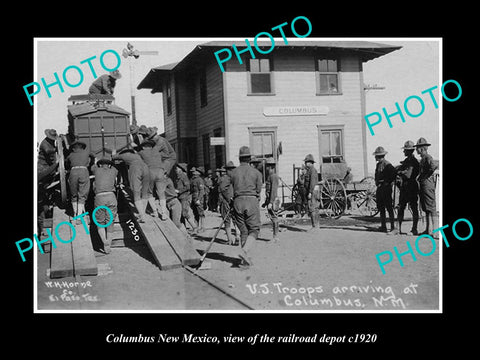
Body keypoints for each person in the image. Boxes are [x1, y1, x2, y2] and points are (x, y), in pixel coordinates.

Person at [230, 146, 263, 268]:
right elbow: (259, 190)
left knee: (243, 231)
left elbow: (229, 189)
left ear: (239, 159)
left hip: (237, 201)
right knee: (254, 230)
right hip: (251, 200)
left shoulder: (233, 172)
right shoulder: (256, 173)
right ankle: (244, 252)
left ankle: (244, 262)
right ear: (249, 159)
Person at [112, 148, 149, 223]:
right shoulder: (137, 155)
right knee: (144, 193)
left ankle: (142, 216)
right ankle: (142, 213)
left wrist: (113, 152)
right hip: (146, 168)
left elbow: (114, 157)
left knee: (136, 192)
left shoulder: (124, 155)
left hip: (136, 168)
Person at [91, 157, 118, 254]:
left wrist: (95, 162)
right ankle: (108, 244)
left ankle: (104, 241)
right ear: (109, 165)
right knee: (110, 221)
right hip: (111, 196)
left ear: (100, 164)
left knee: (100, 222)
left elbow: (92, 168)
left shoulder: (96, 169)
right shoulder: (114, 170)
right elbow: (115, 169)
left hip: (99, 197)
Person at [137, 140, 168, 220]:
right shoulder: (158, 152)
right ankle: (164, 214)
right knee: (161, 193)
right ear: (151, 146)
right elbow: (166, 156)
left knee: (149, 193)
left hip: (150, 173)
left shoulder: (141, 152)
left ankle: (155, 212)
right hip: (160, 172)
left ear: (143, 147)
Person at [414, 137, 438, 235]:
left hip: (428, 185)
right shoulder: (423, 159)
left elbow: (433, 166)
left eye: (418, 148)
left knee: (431, 208)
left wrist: (426, 176)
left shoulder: (428, 157)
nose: (416, 150)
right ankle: (428, 230)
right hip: (423, 186)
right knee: (426, 208)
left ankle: (436, 231)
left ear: (422, 148)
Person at [396, 140, 420, 235]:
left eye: (405, 150)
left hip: (411, 186)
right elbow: (401, 169)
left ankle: (414, 229)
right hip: (405, 187)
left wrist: (400, 172)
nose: (404, 152)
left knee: (413, 207)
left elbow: (408, 175)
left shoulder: (413, 162)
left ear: (409, 151)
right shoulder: (407, 161)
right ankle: (398, 229)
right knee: (401, 207)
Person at [65, 141, 93, 218]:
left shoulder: (70, 155)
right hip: (84, 171)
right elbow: (93, 156)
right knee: (82, 193)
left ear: (73, 148)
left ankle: (75, 213)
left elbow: (66, 164)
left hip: (73, 172)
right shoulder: (86, 153)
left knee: (73, 194)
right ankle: (79, 214)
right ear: (82, 147)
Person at [373, 146, 396, 233]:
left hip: (386, 188)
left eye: (376, 156)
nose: (375, 157)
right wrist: (376, 181)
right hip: (380, 188)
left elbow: (393, 174)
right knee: (381, 207)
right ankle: (383, 226)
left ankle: (393, 227)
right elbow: (376, 175)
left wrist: (388, 182)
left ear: (380, 156)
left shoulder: (388, 164)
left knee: (389, 207)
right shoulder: (378, 165)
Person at [218, 161, 236, 244]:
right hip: (235, 200)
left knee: (227, 220)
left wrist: (229, 199)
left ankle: (230, 240)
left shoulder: (226, 178)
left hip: (226, 201)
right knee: (236, 219)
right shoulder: (236, 177)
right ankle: (237, 237)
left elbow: (222, 189)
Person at [263, 158, 281, 242]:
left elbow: (273, 190)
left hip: (273, 200)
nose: (266, 169)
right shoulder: (270, 176)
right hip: (270, 200)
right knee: (273, 218)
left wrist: (270, 202)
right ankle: (275, 236)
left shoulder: (273, 176)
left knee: (274, 218)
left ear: (271, 167)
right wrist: (266, 202)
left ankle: (276, 237)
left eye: (267, 167)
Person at [303, 154, 320, 231]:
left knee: (312, 208)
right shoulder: (310, 170)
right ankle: (317, 226)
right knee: (315, 208)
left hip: (312, 191)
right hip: (313, 191)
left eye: (306, 162)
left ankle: (314, 226)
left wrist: (310, 192)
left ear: (310, 162)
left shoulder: (312, 170)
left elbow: (312, 182)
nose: (305, 164)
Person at [175, 163, 193, 230]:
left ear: (180, 169)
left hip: (184, 197)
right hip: (180, 197)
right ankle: (184, 228)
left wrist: (178, 191)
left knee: (184, 213)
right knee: (181, 213)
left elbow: (188, 187)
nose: (175, 170)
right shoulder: (178, 176)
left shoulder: (184, 176)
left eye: (177, 168)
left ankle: (194, 227)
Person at [190, 167, 206, 233]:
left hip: (198, 197)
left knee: (201, 213)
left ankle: (202, 227)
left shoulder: (199, 180)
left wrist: (199, 199)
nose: (194, 172)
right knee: (195, 212)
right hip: (194, 196)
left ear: (199, 173)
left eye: (196, 171)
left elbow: (202, 191)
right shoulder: (193, 179)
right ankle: (195, 227)